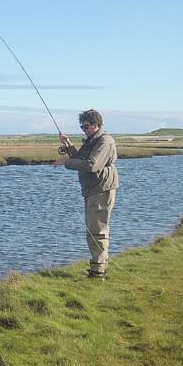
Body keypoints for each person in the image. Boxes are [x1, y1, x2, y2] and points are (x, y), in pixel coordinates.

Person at [55, 109, 120, 279]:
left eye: (86, 126)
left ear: (96, 124)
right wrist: (68, 145)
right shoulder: (93, 140)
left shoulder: (105, 141)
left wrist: (66, 162)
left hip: (101, 189)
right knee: (94, 229)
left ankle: (98, 272)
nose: (84, 130)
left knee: (97, 230)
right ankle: (99, 268)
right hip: (93, 189)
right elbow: (80, 158)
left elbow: (92, 165)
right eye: (82, 127)